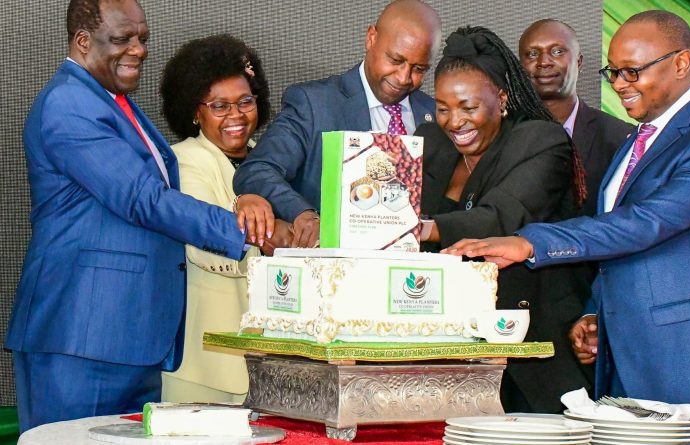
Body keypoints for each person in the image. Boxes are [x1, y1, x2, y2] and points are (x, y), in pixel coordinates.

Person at [443, 10, 690, 444]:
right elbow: (622, 244)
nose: (620, 83)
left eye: (633, 71)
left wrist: (530, 242)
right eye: (614, 71)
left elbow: (645, 224)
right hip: (633, 369)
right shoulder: (639, 138)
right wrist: (595, 310)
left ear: (681, 64)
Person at [5, 0, 274, 432]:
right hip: (82, 337)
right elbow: (142, 198)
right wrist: (247, 229)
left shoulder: (114, 102)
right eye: (122, 39)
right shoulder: (69, 103)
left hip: (134, 337)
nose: (139, 50)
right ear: (82, 40)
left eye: (143, 38)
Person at [416, 26, 592, 413]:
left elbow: (502, 217)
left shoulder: (542, 141)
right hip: (450, 349)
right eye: (443, 108)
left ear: (502, 97)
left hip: (535, 348)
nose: (454, 122)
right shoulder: (429, 142)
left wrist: (423, 228)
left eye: (468, 107)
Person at [233, 0, 440, 246]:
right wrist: (304, 215)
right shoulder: (314, 104)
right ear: (371, 38)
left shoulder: (436, 115)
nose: (404, 77)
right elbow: (257, 170)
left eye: (419, 68)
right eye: (395, 60)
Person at [159, 35, 293, 403]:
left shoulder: (268, 162)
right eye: (219, 105)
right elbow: (205, 249)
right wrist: (277, 243)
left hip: (272, 362)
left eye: (245, 102)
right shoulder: (185, 160)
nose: (236, 116)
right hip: (208, 366)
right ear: (194, 111)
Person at [518, 19, 633, 216]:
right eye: (532, 54)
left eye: (557, 52)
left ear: (579, 62)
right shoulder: (504, 132)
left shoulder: (620, 138)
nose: (544, 62)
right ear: (520, 67)